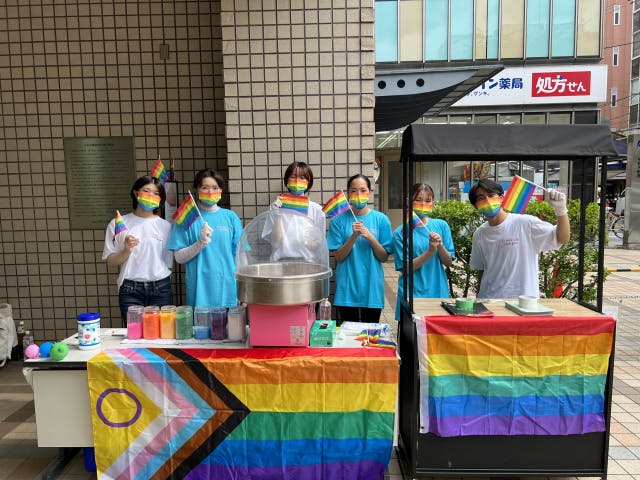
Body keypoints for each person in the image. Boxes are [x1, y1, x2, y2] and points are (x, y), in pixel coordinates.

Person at [469, 178, 570, 299]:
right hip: (489, 301)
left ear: (501, 198)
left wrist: (561, 210)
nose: (488, 200)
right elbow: (482, 270)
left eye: (491, 195)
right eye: (481, 198)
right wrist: (479, 299)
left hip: (523, 303)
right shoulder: (479, 234)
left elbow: (562, 238)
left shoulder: (525, 223)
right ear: (476, 205)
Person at [102, 175, 174, 323]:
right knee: (135, 334)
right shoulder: (119, 223)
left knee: (161, 334)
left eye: (156, 193)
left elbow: (168, 262)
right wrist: (126, 250)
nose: (151, 196)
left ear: (160, 199)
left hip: (161, 288)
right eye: (146, 191)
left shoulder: (166, 226)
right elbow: (111, 261)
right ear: (136, 193)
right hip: (130, 290)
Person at [168, 169, 243, 308]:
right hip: (199, 291)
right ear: (197, 189)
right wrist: (200, 243)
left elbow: (239, 256)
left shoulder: (231, 217)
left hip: (228, 290)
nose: (210, 192)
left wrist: (243, 289)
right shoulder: (186, 218)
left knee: (229, 323)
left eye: (215, 188)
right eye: (204, 187)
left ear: (221, 190)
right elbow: (178, 257)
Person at [327, 174, 393, 322]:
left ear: (369, 192)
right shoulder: (337, 221)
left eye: (363, 190)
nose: (358, 194)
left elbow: (383, 257)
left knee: (370, 332)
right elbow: (339, 257)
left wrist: (370, 237)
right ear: (348, 194)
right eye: (354, 191)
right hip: (347, 289)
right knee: (348, 333)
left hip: (372, 288)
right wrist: (353, 236)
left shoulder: (381, 219)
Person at [393, 183, 455, 320]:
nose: (423, 204)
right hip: (411, 294)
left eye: (428, 200)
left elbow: (448, 262)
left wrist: (440, 246)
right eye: (418, 199)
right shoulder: (401, 233)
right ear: (408, 202)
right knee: (411, 332)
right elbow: (405, 268)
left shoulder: (442, 226)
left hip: (437, 291)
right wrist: (430, 251)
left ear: (433, 202)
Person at [264, 161, 326, 262]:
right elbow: (275, 243)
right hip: (281, 262)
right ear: (287, 181)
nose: (297, 181)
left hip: (307, 263)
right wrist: (278, 214)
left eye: (303, 178)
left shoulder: (317, 210)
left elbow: (319, 244)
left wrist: (304, 241)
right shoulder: (275, 207)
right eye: (293, 176)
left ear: (309, 182)